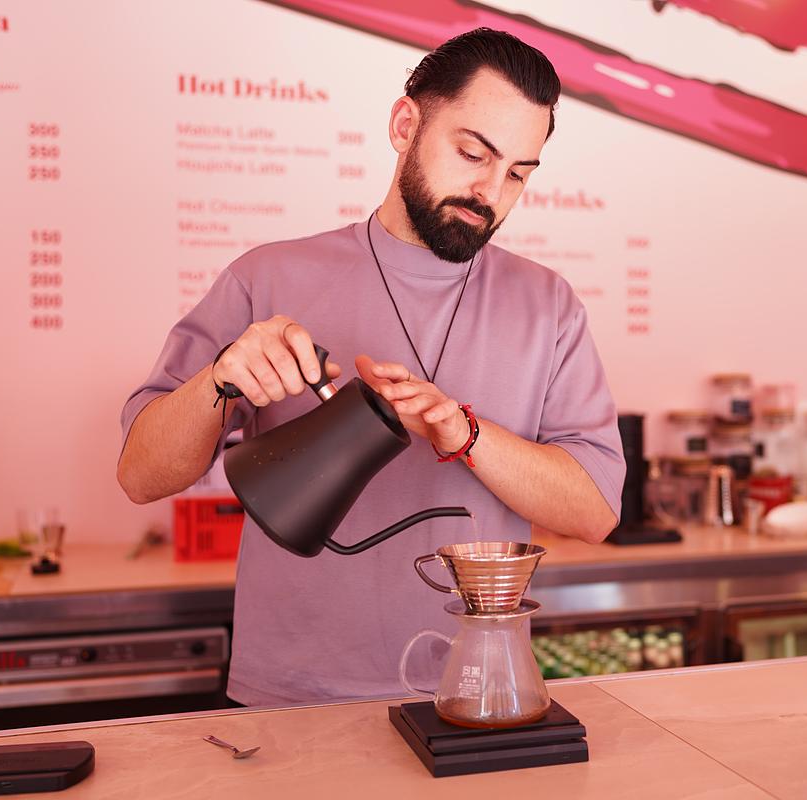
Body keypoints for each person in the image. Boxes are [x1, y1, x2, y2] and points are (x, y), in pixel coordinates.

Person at [117, 28, 625, 706]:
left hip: (473, 695)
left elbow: (596, 512)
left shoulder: (548, 306)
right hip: (292, 697)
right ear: (405, 125)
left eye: (517, 174)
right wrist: (220, 379)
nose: (490, 191)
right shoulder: (267, 278)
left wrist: (465, 434)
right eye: (473, 153)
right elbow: (140, 476)